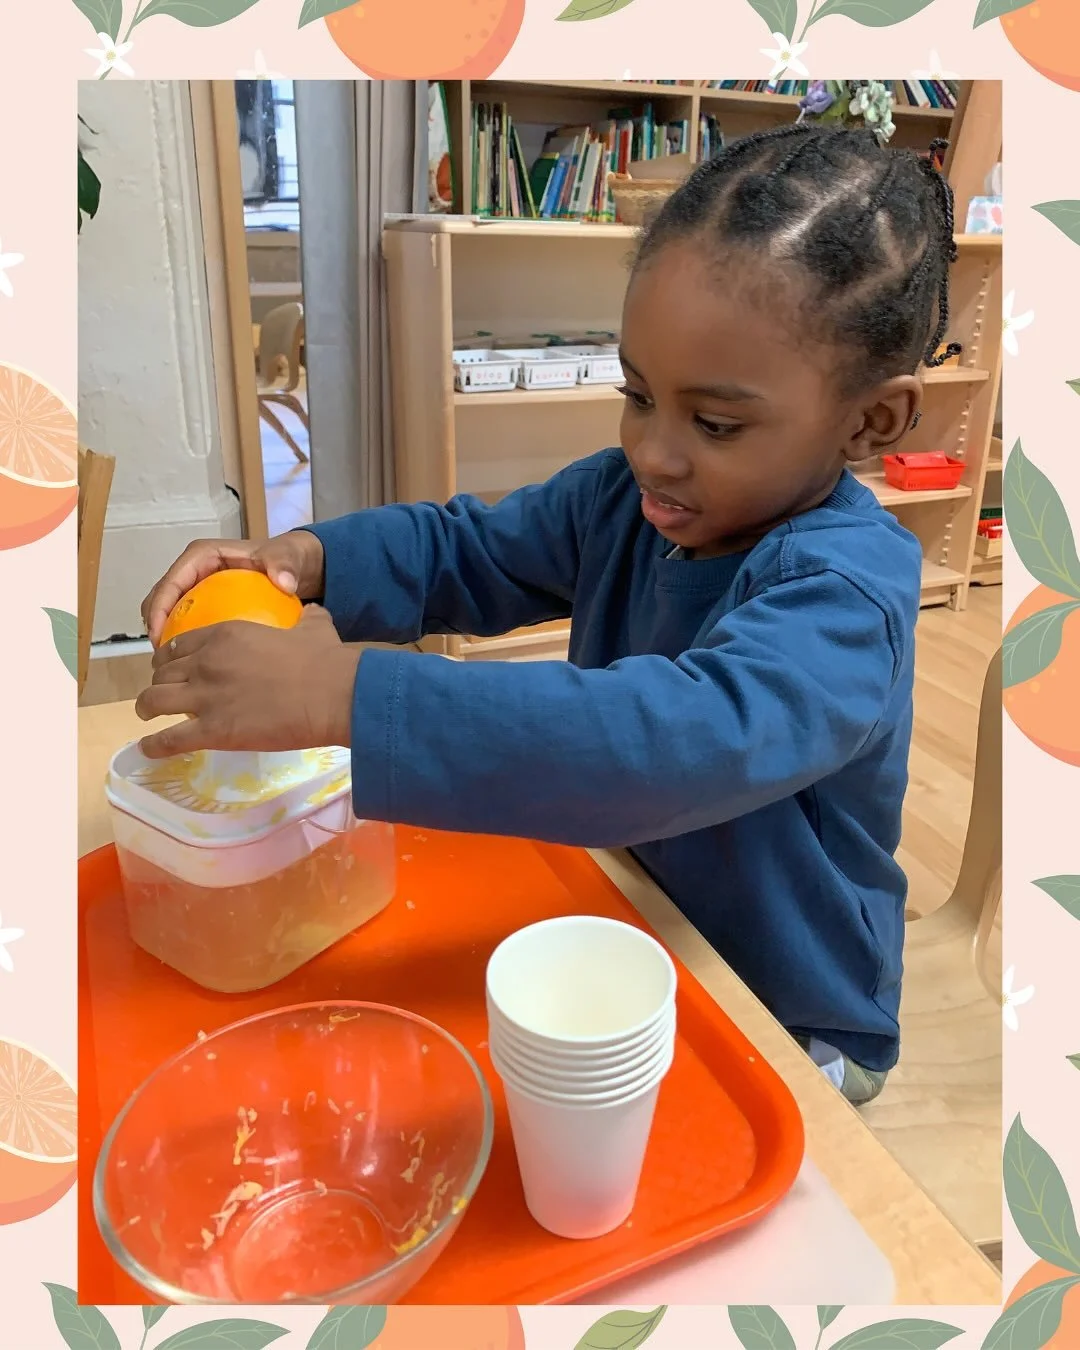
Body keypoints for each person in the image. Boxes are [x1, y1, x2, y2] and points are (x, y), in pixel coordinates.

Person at [138, 124, 962, 1105]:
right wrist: (306, 559)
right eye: (637, 393)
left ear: (872, 420)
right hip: (639, 918)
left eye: (714, 423)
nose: (653, 450)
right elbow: (469, 549)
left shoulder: (848, 592)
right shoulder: (623, 498)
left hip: (784, 1007)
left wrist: (347, 694)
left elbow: (668, 746)